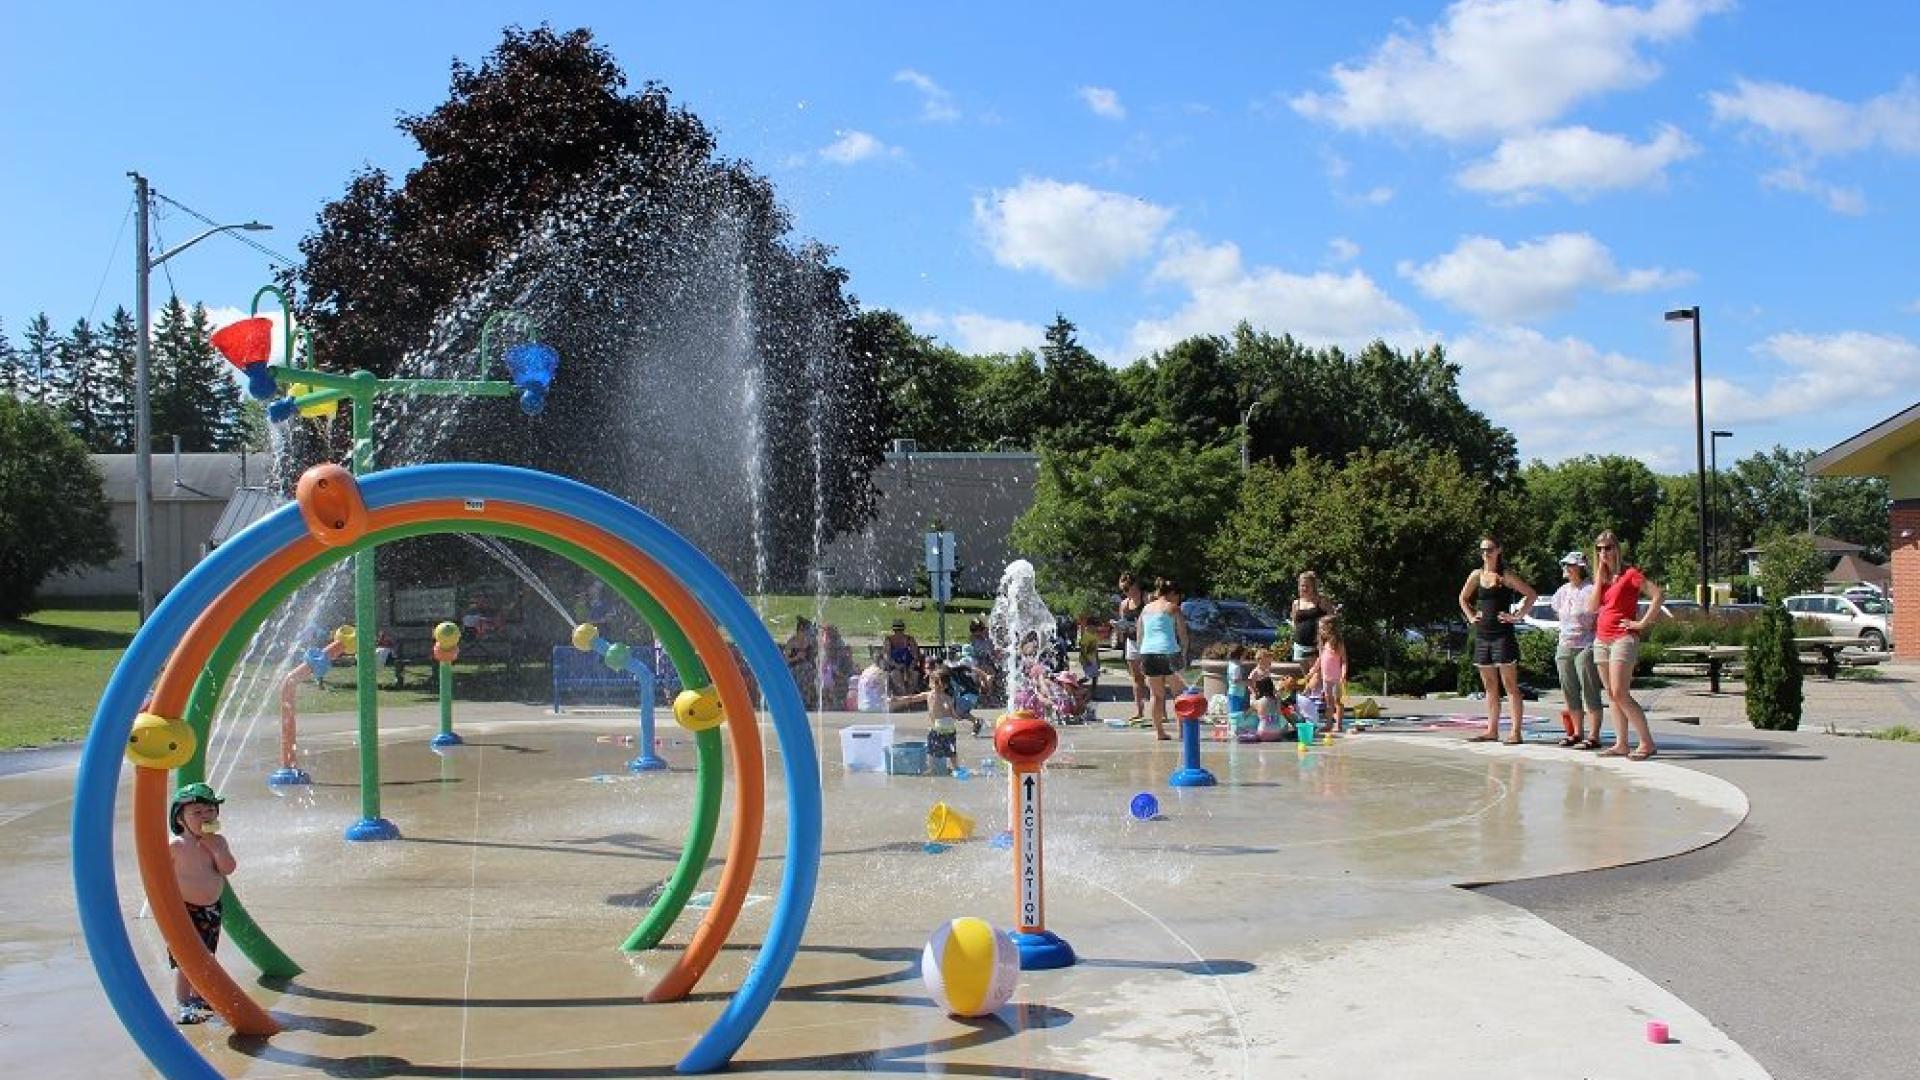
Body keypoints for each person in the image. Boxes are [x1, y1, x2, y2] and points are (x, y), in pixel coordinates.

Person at [1458, 535, 1539, 744]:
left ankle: (1515, 732)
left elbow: (1531, 594)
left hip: (1502, 635)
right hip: (1483, 635)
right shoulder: (1476, 575)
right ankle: (1491, 730)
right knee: (1489, 686)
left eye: (1490, 549)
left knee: (1510, 685)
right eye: (1483, 550)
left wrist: (1517, 616)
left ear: (1499, 550)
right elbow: (1463, 598)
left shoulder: (1506, 576)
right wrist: (1470, 616)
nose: (1486, 553)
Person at [1590, 530, 1663, 759]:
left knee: (1621, 692)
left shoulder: (1630, 574)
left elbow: (1658, 595)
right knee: (1611, 694)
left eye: (1608, 547)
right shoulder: (1602, 579)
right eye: (1599, 549)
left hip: (1623, 637)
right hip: (1601, 639)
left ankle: (1646, 742)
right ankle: (1621, 744)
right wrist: (1599, 576)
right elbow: (1593, 607)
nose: (1604, 552)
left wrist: (1641, 623)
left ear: (1617, 549)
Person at [167, 782, 236, 1025]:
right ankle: (183, 1002)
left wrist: (217, 850)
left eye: (210, 810)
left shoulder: (218, 842)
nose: (205, 816)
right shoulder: (176, 846)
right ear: (180, 818)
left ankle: (199, 996)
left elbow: (228, 869)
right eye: (196, 813)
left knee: (207, 955)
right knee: (186, 960)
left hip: (212, 909)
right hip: (184, 910)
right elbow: (157, 875)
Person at [1550, 551, 1606, 750]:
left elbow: (1599, 615)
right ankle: (1576, 732)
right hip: (1565, 644)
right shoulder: (1562, 591)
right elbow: (1558, 612)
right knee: (1569, 690)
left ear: (1580, 568)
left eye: (1570, 565)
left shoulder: (1590, 589)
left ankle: (1594, 735)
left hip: (1586, 645)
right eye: (1565, 565)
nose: (1566, 568)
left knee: (1589, 690)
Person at [1135, 578, 1190, 741]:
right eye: (1178, 595)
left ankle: (1159, 732)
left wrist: (1141, 655)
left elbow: (1139, 635)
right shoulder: (1173, 608)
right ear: (1172, 593)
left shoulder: (1146, 609)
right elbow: (1183, 635)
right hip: (1169, 652)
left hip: (1148, 653)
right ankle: (1181, 732)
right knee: (1178, 694)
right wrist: (1184, 654)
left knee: (1156, 695)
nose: (1179, 599)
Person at [1116, 573, 1149, 722]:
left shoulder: (1146, 599)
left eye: (1128, 588)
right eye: (1123, 590)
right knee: (1136, 678)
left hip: (1148, 641)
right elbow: (1123, 624)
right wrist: (1119, 628)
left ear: (1136, 585)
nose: (1126, 592)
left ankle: (1161, 712)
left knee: (1153, 677)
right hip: (1132, 642)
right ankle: (1139, 711)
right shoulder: (1124, 604)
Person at [1307, 621, 1350, 734]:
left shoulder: (1338, 644)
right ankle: (1328, 724)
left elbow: (1344, 661)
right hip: (1326, 678)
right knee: (1328, 702)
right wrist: (1313, 670)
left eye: (1322, 628)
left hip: (1336, 678)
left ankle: (1338, 725)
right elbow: (1320, 659)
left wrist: (1343, 674)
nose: (1320, 631)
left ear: (1330, 629)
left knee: (1337, 702)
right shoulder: (1323, 643)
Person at [1290, 572, 1340, 663]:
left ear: (1313, 586)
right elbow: (1294, 621)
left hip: (1317, 646)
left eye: (1307, 586)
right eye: (1302, 585)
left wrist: (1327, 638)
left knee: (1317, 675)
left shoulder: (1322, 601)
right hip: (1300, 645)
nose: (1304, 588)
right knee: (1306, 677)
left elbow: (1333, 620)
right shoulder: (1296, 603)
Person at [925, 667, 959, 771]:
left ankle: (931, 769)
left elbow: (911, 698)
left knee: (931, 750)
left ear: (931, 683)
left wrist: (896, 699)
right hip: (949, 727)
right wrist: (957, 717)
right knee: (951, 750)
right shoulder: (948, 698)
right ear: (945, 685)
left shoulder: (928, 695)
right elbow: (953, 715)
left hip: (938, 727)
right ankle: (956, 768)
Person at [882, 619, 924, 697]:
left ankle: (909, 696)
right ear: (894, 630)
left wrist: (911, 666)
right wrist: (896, 665)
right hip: (894, 667)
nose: (899, 632)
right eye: (897, 630)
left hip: (909, 665)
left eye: (900, 630)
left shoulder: (910, 639)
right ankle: (904, 696)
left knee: (915, 675)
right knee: (895, 675)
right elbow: (886, 656)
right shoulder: (888, 640)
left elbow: (915, 655)